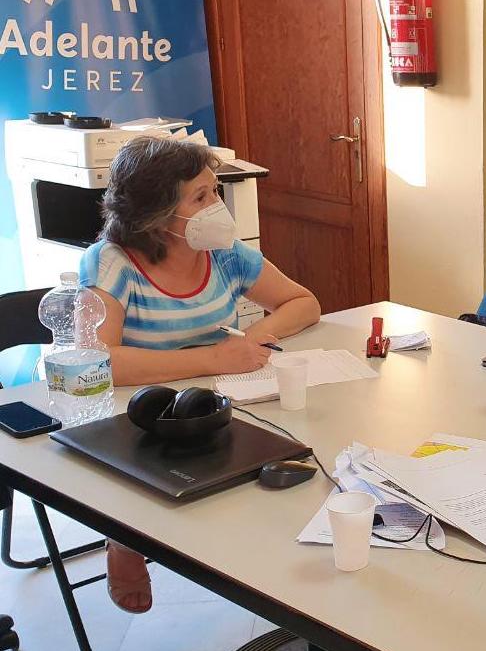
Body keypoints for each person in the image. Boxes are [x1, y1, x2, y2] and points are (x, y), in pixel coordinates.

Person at [80, 136, 321, 613]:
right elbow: (98, 361)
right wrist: (213, 359)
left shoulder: (226, 254)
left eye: (216, 191)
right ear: (157, 213)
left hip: (215, 401)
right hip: (137, 411)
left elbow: (304, 303)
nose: (218, 206)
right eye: (201, 197)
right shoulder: (111, 263)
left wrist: (253, 341)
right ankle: (123, 538)